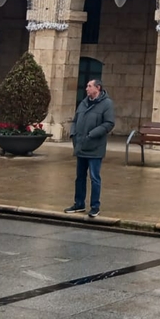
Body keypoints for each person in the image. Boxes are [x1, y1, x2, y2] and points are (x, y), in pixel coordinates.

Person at [65, 79, 115, 218]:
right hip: (81, 145)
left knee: (94, 177)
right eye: (86, 86)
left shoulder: (107, 104)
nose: (86, 88)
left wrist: (92, 134)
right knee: (80, 177)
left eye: (89, 86)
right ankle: (79, 204)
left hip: (95, 147)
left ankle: (95, 206)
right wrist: (73, 134)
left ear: (97, 88)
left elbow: (109, 123)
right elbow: (75, 120)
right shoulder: (84, 102)